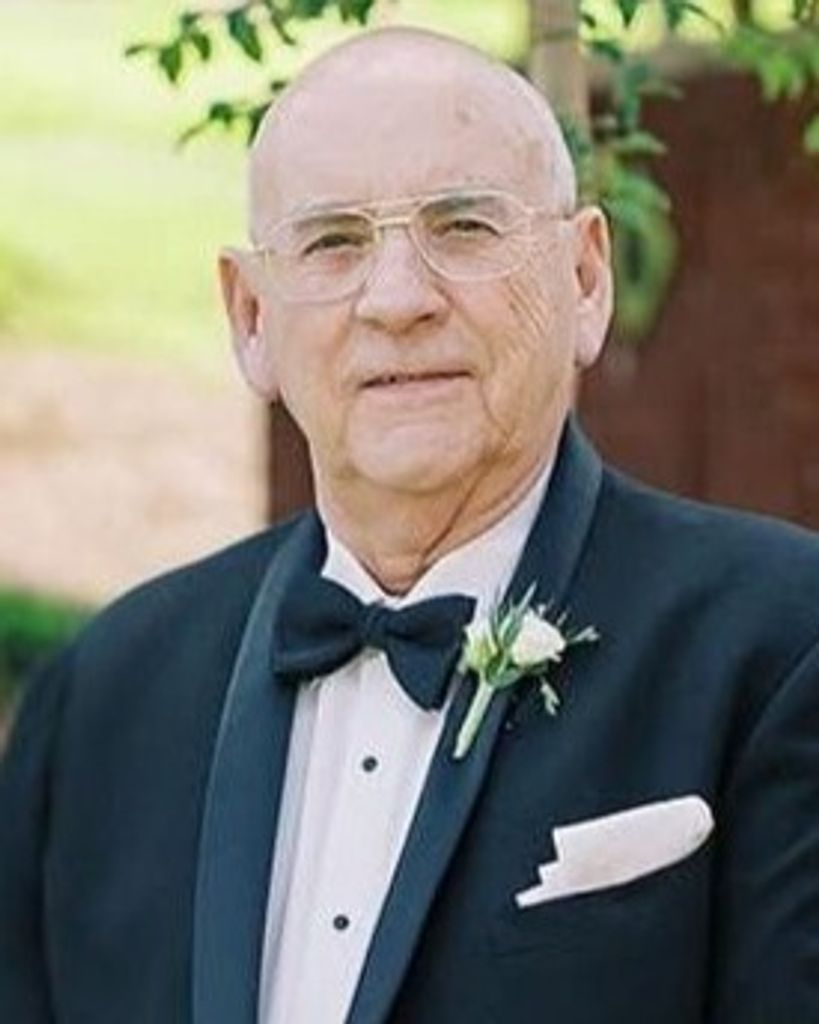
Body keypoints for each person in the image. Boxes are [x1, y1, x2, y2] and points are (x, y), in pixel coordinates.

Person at [2, 25, 819, 1024]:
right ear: (251, 318)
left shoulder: (781, 645)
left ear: (584, 279)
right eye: (334, 241)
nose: (396, 301)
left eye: (464, 226)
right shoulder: (101, 694)